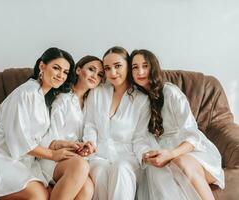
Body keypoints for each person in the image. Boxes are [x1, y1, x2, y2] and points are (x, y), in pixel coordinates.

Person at [0, 47, 90, 200]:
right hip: (0, 155)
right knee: (38, 196)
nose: (61, 75)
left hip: (24, 158)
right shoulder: (26, 93)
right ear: (42, 66)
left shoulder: (44, 98)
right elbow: (18, 138)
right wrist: (52, 154)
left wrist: (62, 144)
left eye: (65, 72)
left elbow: (37, 137)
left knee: (71, 185)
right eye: (56, 68)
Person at [130, 49, 225, 200]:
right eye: (135, 67)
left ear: (153, 67)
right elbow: (139, 137)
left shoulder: (170, 92)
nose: (140, 71)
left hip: (189, 150)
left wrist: (171, 154)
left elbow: (192, 134)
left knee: (180, 163)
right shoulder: (137, 99)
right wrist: (148, 156)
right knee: (158, 172)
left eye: (145, 65)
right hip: (160, 152)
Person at [82, 46, 150, 200]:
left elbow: (140, 137)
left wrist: (144, 155)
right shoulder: (97, 92)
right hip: (99, 154)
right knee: (99, 170)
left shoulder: (141, 100)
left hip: (128, 157)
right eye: (107, 68)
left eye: (118, 66)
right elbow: (90, 125)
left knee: (121, 169)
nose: (112, 73)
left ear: (128, 65)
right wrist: (89, 143)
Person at [40, 55, 104, 200]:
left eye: (100, 74)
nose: (95, 76)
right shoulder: (63, 99)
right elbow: (50, 137)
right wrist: (70, 147)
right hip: (54, 157)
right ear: (78, 70)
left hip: (75, 157)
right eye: (91, 70)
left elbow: (90, 130)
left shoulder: (91, 102)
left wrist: (86, 146)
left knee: (87, 189)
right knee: (81, 166)